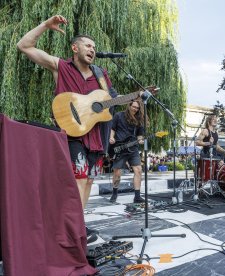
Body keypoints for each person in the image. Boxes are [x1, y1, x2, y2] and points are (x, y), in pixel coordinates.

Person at [16, 15, 146, 242]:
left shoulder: (101, 74)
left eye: (94, 47)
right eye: (88, 45)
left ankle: (79, 225)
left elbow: (109, 103)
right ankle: (70, 229)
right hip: (72, 132)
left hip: (97, 135)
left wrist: (135, 97)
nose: (92, 49)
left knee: (88, 180)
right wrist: (46, 25)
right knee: (78, 178)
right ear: (74, 48)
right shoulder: (61, 66)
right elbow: (24, 46)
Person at [109, 100, 146, 203]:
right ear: (129, 106)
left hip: (133, 148)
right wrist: (111, 137)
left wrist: (141, 140)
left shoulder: (138, 120)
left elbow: (139, 134)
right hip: (120, 147)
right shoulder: (118, 115)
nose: (135, 109)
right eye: (133, 107)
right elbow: (112, 128)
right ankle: (114, 193)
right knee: (117, 172)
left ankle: (137, 196)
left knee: (138, 170)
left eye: (137, 108)